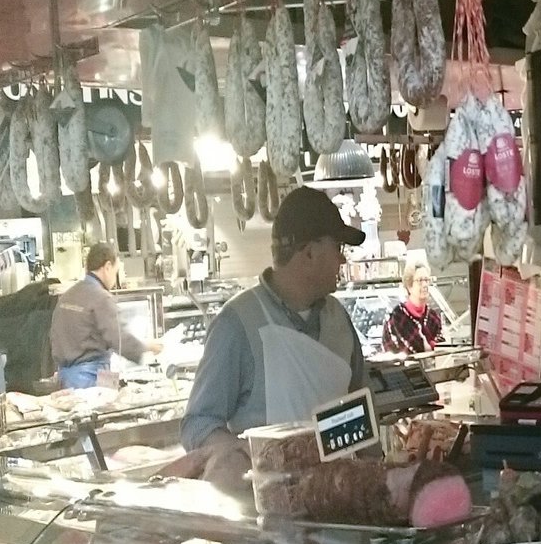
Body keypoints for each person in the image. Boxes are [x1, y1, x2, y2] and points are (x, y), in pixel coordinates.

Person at [181, 186, 368, 485]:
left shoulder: (340, 320)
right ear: (309, 253)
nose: (342, 261)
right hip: (269, 505)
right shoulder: (237, 324)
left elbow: (360, 408)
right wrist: (246, 455)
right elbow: (198, 423)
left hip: (342, 499)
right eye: (338, 248)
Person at [50, 243, 161, 389]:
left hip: (65, 379)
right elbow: (118, 338)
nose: (115, 280)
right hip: (91, 380)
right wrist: (147, 347)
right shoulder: (101, 297)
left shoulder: (68, 295)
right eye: (116, 272)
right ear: (108, 267)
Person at [383, 257, 445, 355]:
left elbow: (442, 345)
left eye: (427, 280)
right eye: (420, 281)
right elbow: (407, 350)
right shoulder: (397, 317)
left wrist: (431, 346)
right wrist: (430, 347)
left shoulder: (433, 316)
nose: (425, 285)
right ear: (409, 286)